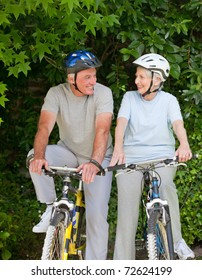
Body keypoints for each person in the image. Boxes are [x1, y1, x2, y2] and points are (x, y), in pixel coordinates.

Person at [27, 50, 113, 260]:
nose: (93, 81)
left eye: (94, 75)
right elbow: (44, 128)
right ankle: (49, 207)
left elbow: (102, 130)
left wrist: (94, 162)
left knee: (97, 216)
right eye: (87, 77)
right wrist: (39, 156)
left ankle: (95, 270)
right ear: (71, 79)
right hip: (69, 152)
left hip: (99, 157)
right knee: (33, 156)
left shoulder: (103, 93)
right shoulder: (56, 93)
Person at [110, 53, 195, 260]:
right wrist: (118, 148)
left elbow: (177, 124)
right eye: (136, 76)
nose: (136, 81)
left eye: (141, 77)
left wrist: (184, 144)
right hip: (131, 159)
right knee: (127, 210)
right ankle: (122, 264)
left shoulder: (169, 100)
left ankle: (177, 243)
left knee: (166, 187)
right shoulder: (129, 97)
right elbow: (121, 122)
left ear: (157, 79)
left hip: (161, 157)